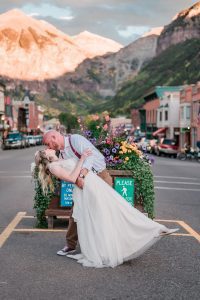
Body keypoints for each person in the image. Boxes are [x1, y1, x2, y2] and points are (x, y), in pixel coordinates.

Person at [35, 148, 178, 268]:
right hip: (87, 189)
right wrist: (82, 159)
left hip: (93, 183)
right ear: (46, 155)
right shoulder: (53, 167)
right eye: (46, 148)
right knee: (109, 214)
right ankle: (151, 231)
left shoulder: (59, 160)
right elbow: (72, 178)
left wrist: (83, 161)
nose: (48, 146)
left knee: (118, 208)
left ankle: (153, 229)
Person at [42, 130, 113, 256]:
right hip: (83, 183)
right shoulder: (62, 154)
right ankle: (70, 245)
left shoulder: (75, 139)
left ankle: (106, 244)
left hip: (100, 177)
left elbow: (89, 156)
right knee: (76, 212)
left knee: (102, 212)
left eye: (48, 144)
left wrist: (82, 175)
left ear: (54, 137)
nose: (48, 147)